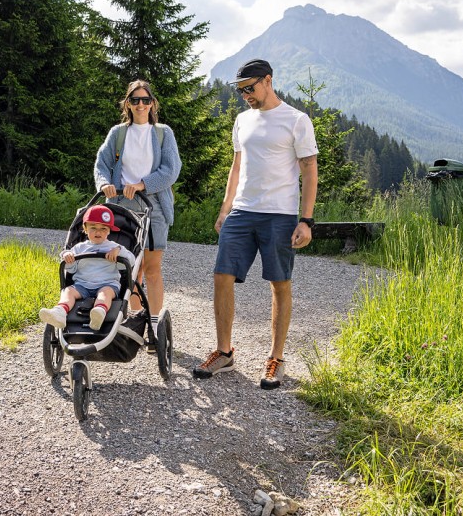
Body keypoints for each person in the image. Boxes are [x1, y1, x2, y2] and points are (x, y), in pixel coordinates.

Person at [192, 59, 318, 389]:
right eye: (240, 90)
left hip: (280, 214)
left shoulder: (296, 120)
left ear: (268, 81)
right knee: (222, 275)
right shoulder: (242, 120)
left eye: (250, 88)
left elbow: (309, 170)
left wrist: (306, 220)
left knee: (279, 282)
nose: (245, 95)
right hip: (242, 211)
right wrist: (225, 209)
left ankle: (276, 359)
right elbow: (236, 167)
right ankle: (224, 352)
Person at [93, 79, 182, 332]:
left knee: (151, 269)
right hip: (121, 204)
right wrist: (104, 184)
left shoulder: (163, 133)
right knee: (127, 267)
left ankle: (154, 324)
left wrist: (143, 184)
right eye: (135, 100)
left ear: (152, 104)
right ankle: (133, 321)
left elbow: (171, 170)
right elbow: (102, 164)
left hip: (153, 204)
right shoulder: (118, 133)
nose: (141, 105)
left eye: (145, 100)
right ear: (128, 104)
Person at [39, 204, 136, 331]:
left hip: (107, 284)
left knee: (104, 294)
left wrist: (119, 251)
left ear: (109, 231)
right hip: (82, 285)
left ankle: (99, 312)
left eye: (103, 229)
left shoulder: (114, 247)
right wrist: (67, 257)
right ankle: (60, 312)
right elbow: (71, 269)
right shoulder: (79, 248)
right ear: (85, 228)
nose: (98, 232)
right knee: (68, 291)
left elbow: (131, 260)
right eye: (93, 227)